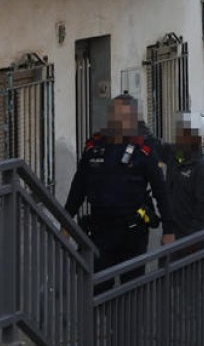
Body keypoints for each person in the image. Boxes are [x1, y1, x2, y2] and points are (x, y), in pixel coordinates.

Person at [63, 93, 175, 287]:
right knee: (98, 289)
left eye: (122, 116)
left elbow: (160, 191)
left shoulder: (143, 150)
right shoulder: (94, 147)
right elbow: (78, 186)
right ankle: (101, 317)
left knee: (131, 291)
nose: (116, 120)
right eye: (113, 114)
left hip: (132, 233)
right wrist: (65, 222)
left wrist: (169, 230)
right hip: (100, 231)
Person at [165, 113, 204, 253]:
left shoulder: (203, 168)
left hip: (191, 243)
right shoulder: (179, 160)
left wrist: (191, 241)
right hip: (176, 239)